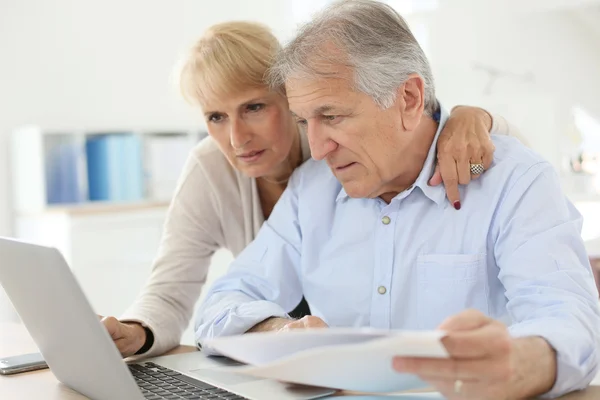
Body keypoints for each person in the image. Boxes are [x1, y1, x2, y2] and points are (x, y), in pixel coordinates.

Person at [194, 2, 600, 399]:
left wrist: (516, 363)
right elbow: (219, 307)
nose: (316, 148)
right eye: (304, 122)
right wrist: (279, 333)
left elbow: (570, 322)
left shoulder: (511, 182)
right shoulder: (311, 191)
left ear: (408, 98)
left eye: (332, 116)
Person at [101, 20, 521, 360]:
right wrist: (136, 330)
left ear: (291, 96)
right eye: (215, 117)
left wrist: (475, 116)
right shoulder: (214, 170)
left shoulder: (337, 151)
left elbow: (434, 129)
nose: (236, 139)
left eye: (254, 107)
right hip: (294, 352)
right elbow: (177, 286)